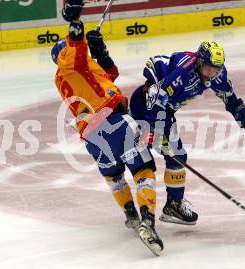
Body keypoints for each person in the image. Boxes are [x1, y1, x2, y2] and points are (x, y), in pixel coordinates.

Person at [52, 0, 163, 255]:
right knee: (143, 168)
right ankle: (148, 221)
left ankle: (131, 215)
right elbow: (76, 46)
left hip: (92, 135)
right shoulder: (69, 61)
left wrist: (100, 51)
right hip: (113, 121)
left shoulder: (73, 75)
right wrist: (75, 22)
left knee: (113, 175)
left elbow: (107, 76)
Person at [129, 41, 245, 226]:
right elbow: (156, 98)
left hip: (167, 110)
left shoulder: (217, 73)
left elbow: (226, 93)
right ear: (199, 62)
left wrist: (237, 108)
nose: (212, 73)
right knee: (138, 154)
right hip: (146, 107)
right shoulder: (183, 73)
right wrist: (154, 130)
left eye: (216, 69)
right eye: (209, 68)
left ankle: (174, 204)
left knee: (177, 156)